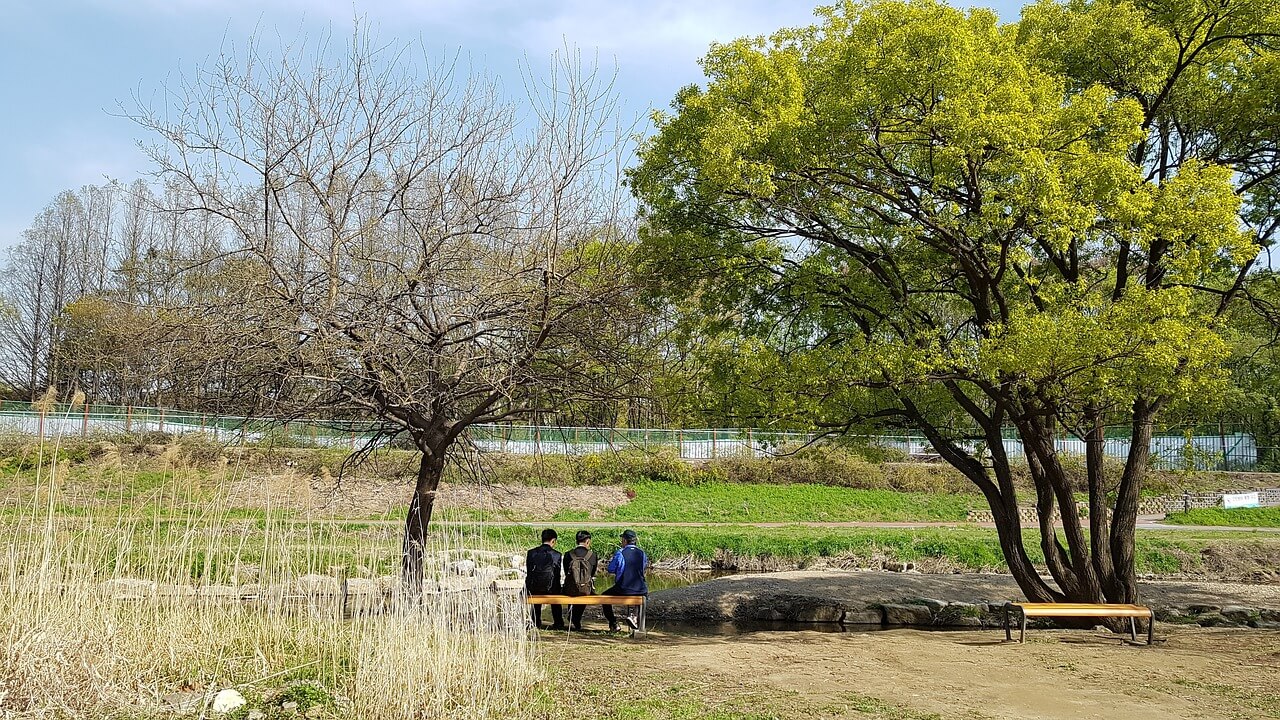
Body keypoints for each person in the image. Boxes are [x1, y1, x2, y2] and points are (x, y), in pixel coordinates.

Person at [602, 528, 648, 632]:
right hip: (641, 589)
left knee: (604, 596)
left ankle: (614, 623)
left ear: (624, 540)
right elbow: (643, 568)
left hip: (623, 588)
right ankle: (634, 616)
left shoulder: (621, 553)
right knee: (640, 595)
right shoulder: (642, 553)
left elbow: (611, 569)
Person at [525, 528, 565, 630]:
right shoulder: (557, 555)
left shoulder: (531, 553)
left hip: (534, 588)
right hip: (551, 589)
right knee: (556, 594)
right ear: (553, 540)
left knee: (536, 592)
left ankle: (536, 621)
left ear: (542, 539)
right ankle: (558, 622)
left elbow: (529, 572)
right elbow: (557, 575)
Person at [561, 530, 599, 631]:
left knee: (571, 585)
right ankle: (576, 618)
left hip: (570, 589)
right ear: (588, 541)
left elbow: (566, 572)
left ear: (576, 541)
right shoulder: (592, 555)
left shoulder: (568, 554)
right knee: (585, 589)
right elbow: (592, 573)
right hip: (585, 590)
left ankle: (572, 614)